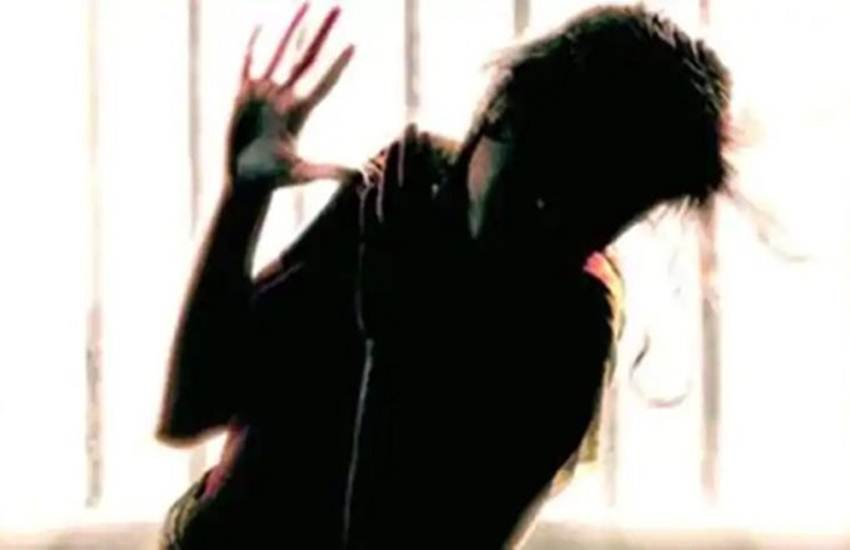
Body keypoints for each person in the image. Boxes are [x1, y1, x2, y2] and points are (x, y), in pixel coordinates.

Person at [156, 3, 731, 548]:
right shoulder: (400, 192)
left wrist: (394, 338)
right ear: (502, 110)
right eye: (540, 193)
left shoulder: (569, 333)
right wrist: (244, 196)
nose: (548, 235)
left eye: (591, 228)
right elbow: (194, 407)